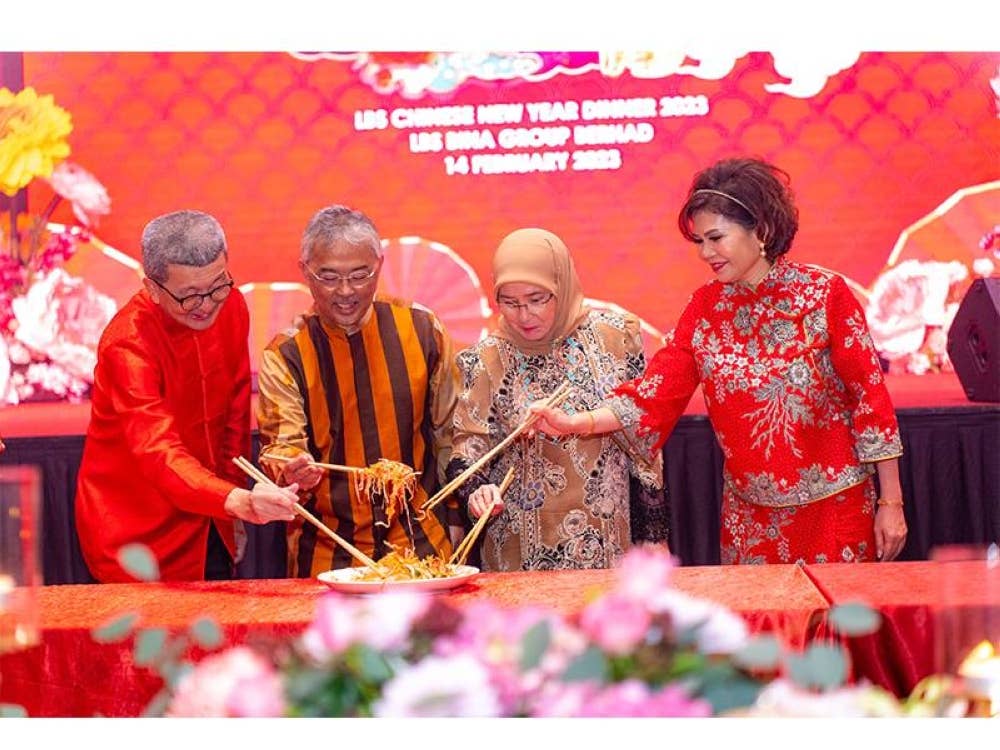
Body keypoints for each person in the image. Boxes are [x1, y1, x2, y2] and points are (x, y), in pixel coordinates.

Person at [531, 158, 908, 565]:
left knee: (834, 629)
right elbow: (653, 393)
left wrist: (892, 502)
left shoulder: (825, 294)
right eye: (699, 242)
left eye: (716, 238)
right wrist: (577, 422)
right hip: (750, 521)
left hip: (835, 511)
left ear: (760, 230)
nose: (705, 253)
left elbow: (870, 399)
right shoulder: (705, 308)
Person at [75, 210, 299, 583]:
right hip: (136, 529)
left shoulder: (232, 306)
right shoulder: (128, 343)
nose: (208, 304)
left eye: (217, 285)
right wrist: (237, 502)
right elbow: (156, 451)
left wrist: (231, 503)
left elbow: (234, 410)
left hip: (210, 511)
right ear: (152, 289)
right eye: (190, 296)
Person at [256, 205, 462, 577]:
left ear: (379, 266)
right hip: (325, 550)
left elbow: (450, 433)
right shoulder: (287, 354)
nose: (346, 291)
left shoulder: (421, 329)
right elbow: (282, 444)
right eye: (329, 277)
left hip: (423, 542)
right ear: (305, 271)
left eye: (360, 275)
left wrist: (457, 517)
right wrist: (291, 470)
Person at [447, 227, 668, 572]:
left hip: (607, 542)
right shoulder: (484, 359)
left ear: (561, 286)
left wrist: (654, 534)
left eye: (537, 299)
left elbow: (643, 439)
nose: (524, 315)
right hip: (518, 550)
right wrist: (477, 489)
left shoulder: (615, 338)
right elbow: (469, 443)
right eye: (510, 302)